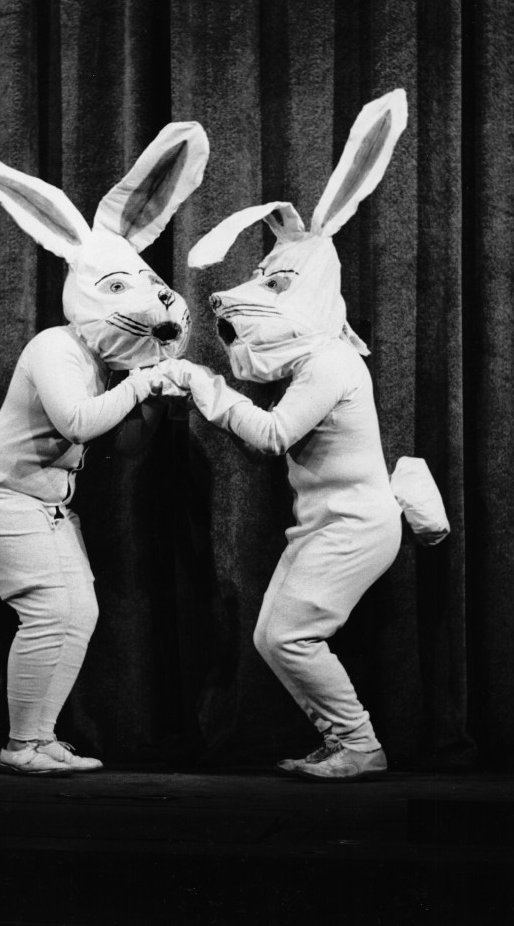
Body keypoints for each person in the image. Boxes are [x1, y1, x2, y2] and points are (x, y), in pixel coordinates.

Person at [0, 123, 209, 774]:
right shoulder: (54, 348)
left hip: (46, 500)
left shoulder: (99, 363)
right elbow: (78, 420)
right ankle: (23, 744)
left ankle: (37, 735)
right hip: (1, 489)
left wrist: (151, 396)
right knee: (50, 609)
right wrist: (144, 380)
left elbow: (122, 442)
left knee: (77, 610)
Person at [160, 92, 408, 782]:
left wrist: (207, 390)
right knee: (276, 636)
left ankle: (359, 744)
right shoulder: (317, 361)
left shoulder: (330, 362)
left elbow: (272, 436)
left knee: (289, 635)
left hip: (354, 526)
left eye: (278, 280)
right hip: (326, 523)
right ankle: (345, 740)